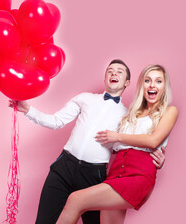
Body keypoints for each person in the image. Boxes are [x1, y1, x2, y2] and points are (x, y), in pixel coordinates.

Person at [10, 60, 166, 224]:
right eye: (110, 71)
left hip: (94, 176)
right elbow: (56, 121)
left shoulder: (129, 117)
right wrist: (28, 110)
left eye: (119, 71)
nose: (114, 73)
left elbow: (131, 146)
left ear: (127, 82)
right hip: (63, 168)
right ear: (105, 78)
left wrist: (158, 160)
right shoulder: (84, 98)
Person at [55, 64, 178, 224]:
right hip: (116, 172)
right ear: (142, 85)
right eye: (147, 80)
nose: (152, 85)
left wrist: (118, 137)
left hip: (138, 176)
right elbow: (116, 146)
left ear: (164, 86)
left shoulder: (169, 111)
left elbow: (153, 140)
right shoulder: (132, 114)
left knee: (75, 200)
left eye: (158, 81)